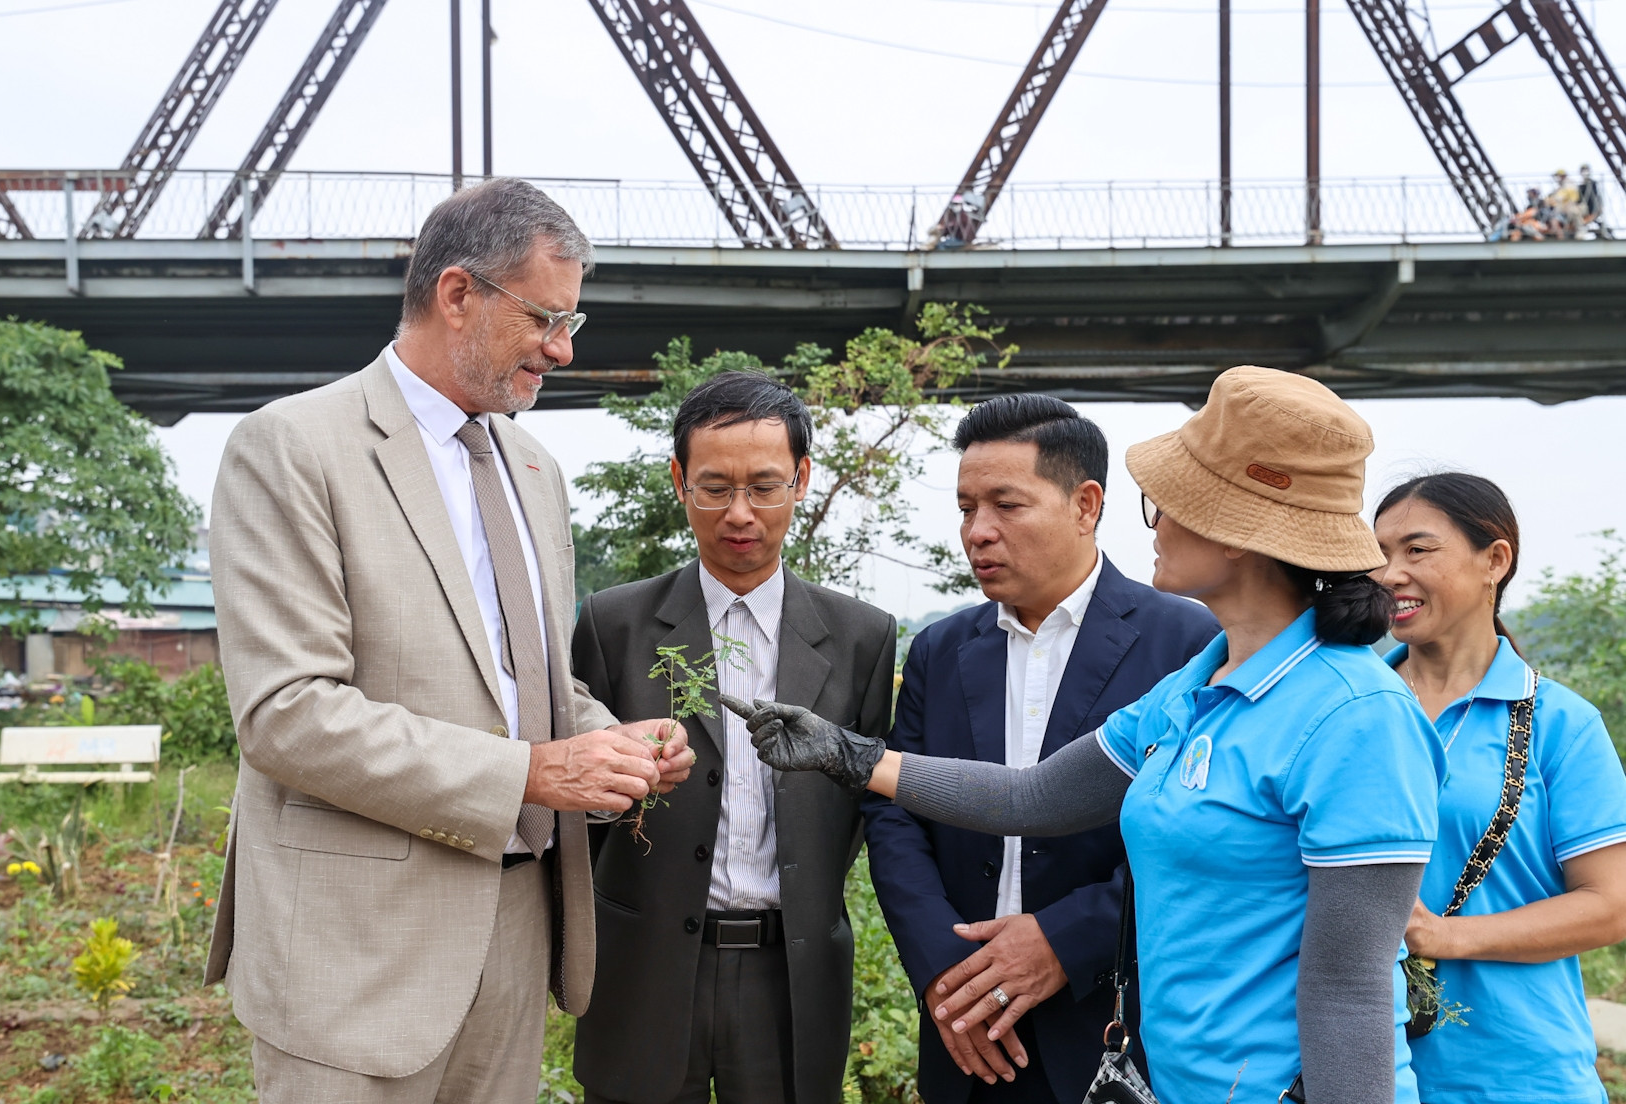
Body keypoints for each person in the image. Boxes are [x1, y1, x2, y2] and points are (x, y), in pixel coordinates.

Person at [728, 365, 1448, 1104]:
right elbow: (1032, 798)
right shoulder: (1194, 688)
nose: (1156, 523)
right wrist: (850, 754)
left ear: (1239, 532)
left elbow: (1348, 993)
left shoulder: (1357, 718)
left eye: (1167, 504)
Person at [205, 178, 690, 1103]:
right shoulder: (290, 446)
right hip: (353, 956)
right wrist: (531, 775)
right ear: (457, 293)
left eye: (572, 318)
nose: (564, 348)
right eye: (546, 317)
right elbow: (287, 715)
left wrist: (610, 736)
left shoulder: (535, 469)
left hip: (512, 936)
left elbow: (526, 684)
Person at [861, 394, 1218, 1104]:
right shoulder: (940, 647)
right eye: (966, 508)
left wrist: (1064, 939)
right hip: (966, 1025)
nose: (978, 532)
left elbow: (1199, 834)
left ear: (1086, 505)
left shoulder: (1187, 643)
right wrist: (941, 967)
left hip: (1112, 1018)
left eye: (1006, 505)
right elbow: (895, 814)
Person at [570, 370, 899, 1104]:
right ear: (679, 481)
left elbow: (860, 802)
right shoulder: (612, 624)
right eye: (715, 487)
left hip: (791, 974)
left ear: (803, 479)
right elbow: (582, 801)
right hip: (645, 967)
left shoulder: (862, 638)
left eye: (765, 485)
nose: (740, 513)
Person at [1373, 473, 1626, 1104]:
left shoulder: (1559, 724)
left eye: (1417, 550)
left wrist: (1445, 936)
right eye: (1379, 555)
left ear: (1496, 560)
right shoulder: (1353, 710)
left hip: (1518, 1075)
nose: (1389, 574)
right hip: (1362, 1067)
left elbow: (1611, 903)